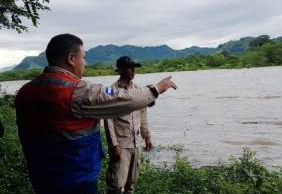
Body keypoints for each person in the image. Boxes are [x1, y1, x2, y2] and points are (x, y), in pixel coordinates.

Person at [15, 34, 177, 194]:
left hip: (42, 177)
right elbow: (121, 99)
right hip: (76, 179)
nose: (84, 63)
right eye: (83, 57)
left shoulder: (25, 91)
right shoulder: (76, 91)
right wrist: (156, 89)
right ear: (72, 58)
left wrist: (146, 134)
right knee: (116, 184)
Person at [104, 56, 152, 194]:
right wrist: (113, 145)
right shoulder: (111, 91)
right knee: (117, 184)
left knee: (131, 184)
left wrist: (147, 136)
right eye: (128, 68)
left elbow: (143, 114)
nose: (132, 71)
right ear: (119, 70)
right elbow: (108, 119)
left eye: (133, 68)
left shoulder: (138, 90)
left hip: (136, 143)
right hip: (121, 144)